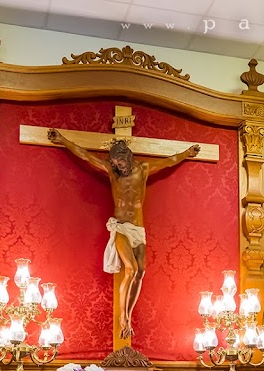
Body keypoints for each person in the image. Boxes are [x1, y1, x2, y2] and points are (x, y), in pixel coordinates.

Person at [48, 129, 200, 339]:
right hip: (121, 227)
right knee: (131, 268)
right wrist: (63, 140)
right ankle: (123, 319)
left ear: (129, 158)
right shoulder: (112, 173)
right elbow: (86, 155)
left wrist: (187, 153)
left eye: (121, 162)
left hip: (139, 229)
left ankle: (128, 313)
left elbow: (169, 161)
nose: (119, 167)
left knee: (141, 272)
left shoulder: (143, 169)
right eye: (115, 164)